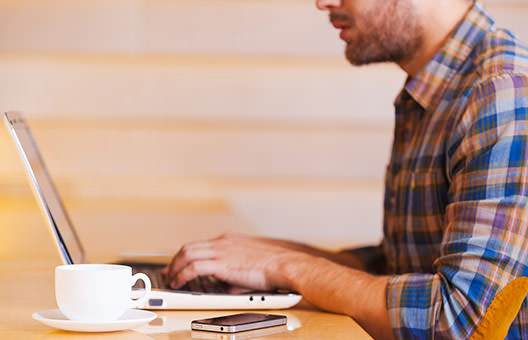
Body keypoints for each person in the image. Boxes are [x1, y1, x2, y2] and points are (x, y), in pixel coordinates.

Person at [162, 0, 528, 339]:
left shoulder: (501, 92)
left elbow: (459, 319)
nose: (323, 2)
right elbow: (404, 266)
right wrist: (275, 256)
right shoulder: (438, 90)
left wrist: (286, 266)